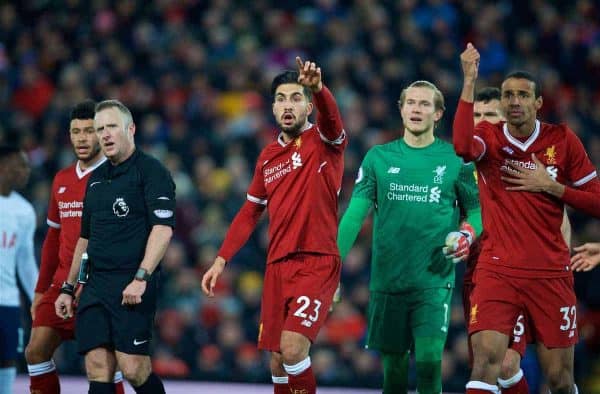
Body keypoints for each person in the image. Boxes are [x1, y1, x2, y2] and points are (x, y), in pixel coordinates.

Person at [454, 43, 600, 394]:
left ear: (538, 103)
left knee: (560, 380)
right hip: (497, 271)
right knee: (487, 362)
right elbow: (461, 146)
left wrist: (553, 187)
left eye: (523, 95)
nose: (514, 101)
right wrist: (469, 82)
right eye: (508, 95)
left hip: (550, 272)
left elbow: (596, 202)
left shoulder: (562, 140)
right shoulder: (489, 139)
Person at [201, 57, 346, 394]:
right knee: (278, 359)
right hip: (277, 265)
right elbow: (250, 212)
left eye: (296, 98)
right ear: (272, 107)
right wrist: (221, 259)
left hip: (316, 260)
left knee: (295, 348)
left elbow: (333, 119)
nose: (287, 105)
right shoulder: (267, 156)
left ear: (308, 105)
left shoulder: (325, 141)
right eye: (281, 98)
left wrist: (320, 89)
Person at [336, 80, 482, 393]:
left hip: (433, 280)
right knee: (395, 373)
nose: (417, 109)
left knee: (430, 363)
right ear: (401, 109)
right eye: (411, 103)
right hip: (388, 281)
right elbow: (354, 215)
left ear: (438, 113)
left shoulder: (455, 160)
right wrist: (330, 267)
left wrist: (467, 235)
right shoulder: (378, 158)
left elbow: (477, 212)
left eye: (425, 104)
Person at [54, 100, 176, 394]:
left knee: (133, 368)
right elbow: (86, 239)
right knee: (97, 368)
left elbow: (162, 229)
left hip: (131, 285)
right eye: (99, 129)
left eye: (111, 127)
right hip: (95, 285)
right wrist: (70, 286)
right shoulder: (96, 180)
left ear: (130, 129)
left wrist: (141, 278)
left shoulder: (151, 171)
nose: (104, 135)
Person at [25, 100, 125, 394]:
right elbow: (52, 239)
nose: (82, 138)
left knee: (103, 366)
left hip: (99, 286)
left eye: (88, 131)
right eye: (75, 132)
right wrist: (41, 290)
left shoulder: (116, 176)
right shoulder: (62, 179)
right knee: (35, 351)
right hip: (61, 285)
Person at [0, 144, 38, 394]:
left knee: (7, 359)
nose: (26, 171)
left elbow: (25, 261)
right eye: (21, 164)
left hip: (8, 301)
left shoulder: (25, 211)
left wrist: (39, 300)